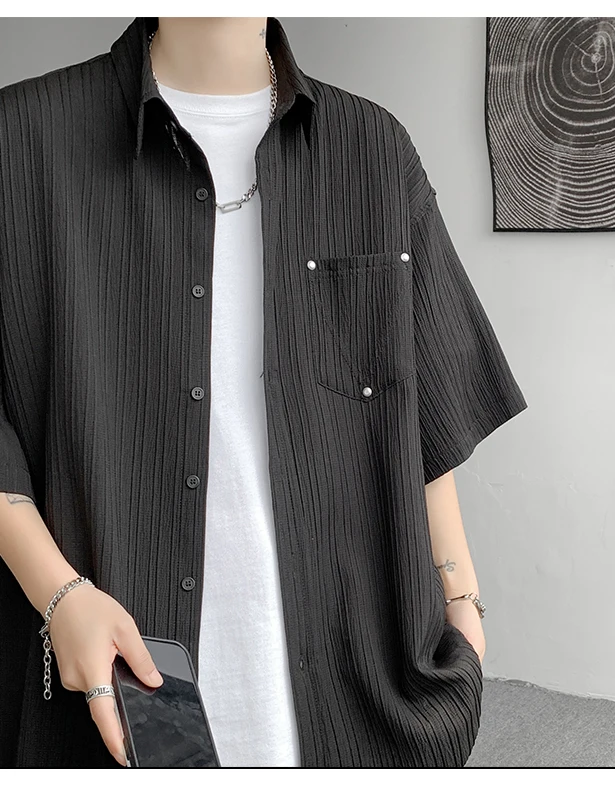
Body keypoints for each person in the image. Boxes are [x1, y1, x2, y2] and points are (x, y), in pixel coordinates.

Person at [0, 16, 527, 768]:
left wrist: (462, 604)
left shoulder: (373, 150)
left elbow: (421, 410)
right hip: (120, 695)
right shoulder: (23, 140)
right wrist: (60, 595)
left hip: (355, 697)